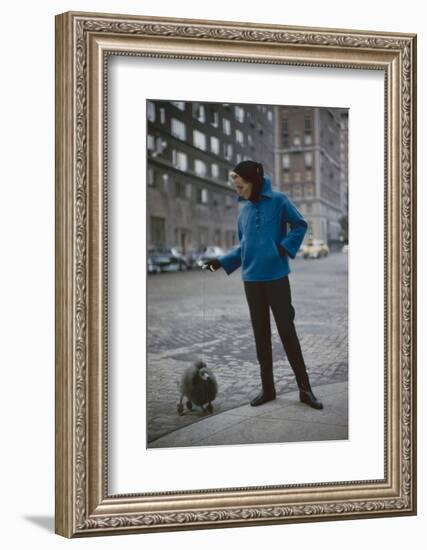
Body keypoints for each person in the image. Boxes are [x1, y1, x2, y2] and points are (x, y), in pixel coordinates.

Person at [203, 160, 323, 409]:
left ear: (254, 181)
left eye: (241, 185)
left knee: (287, 333)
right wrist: (220, 262)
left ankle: (305, 389)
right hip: (251, 281)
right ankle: (268, 389)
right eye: (235, 187)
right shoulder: (244, 211)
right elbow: (244, 247)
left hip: (277, 278)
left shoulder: (279, 200)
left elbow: (300, 224)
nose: (238, 190)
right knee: (261, 336)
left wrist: (283, 247)